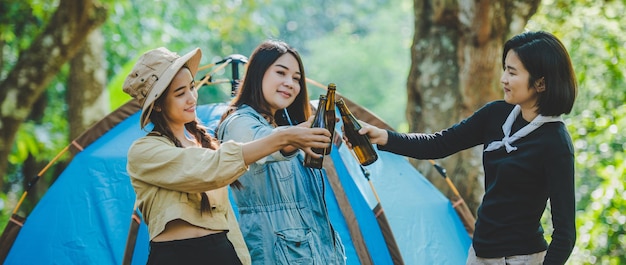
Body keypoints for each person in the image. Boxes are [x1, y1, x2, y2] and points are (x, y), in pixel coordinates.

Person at [346, 31, 577, 265]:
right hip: (479, 254)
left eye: (512, 72)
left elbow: (565, 233)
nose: (503, 79)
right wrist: (384, 137)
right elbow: (438, 144)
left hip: (520, 259)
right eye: (505, 69)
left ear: (541, 82)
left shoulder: (555, 141)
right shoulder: (496, 114)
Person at [122, 47, 331, 265]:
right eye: (180, 93)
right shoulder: (144, 152)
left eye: (192, 87)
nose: (192, 98)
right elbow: (207, 169)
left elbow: (226, 218)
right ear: (156, 104)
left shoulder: (205, 145)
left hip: (222, 253)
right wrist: (282, 138)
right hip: (174, 256)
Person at [217, 40, 347, 264]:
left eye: (296, 78)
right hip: (274, 254)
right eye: (281, 73)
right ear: (258, 74)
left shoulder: (284, 124)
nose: (290, 83)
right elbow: (267, 144)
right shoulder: (239, 123)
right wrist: (297, 135)